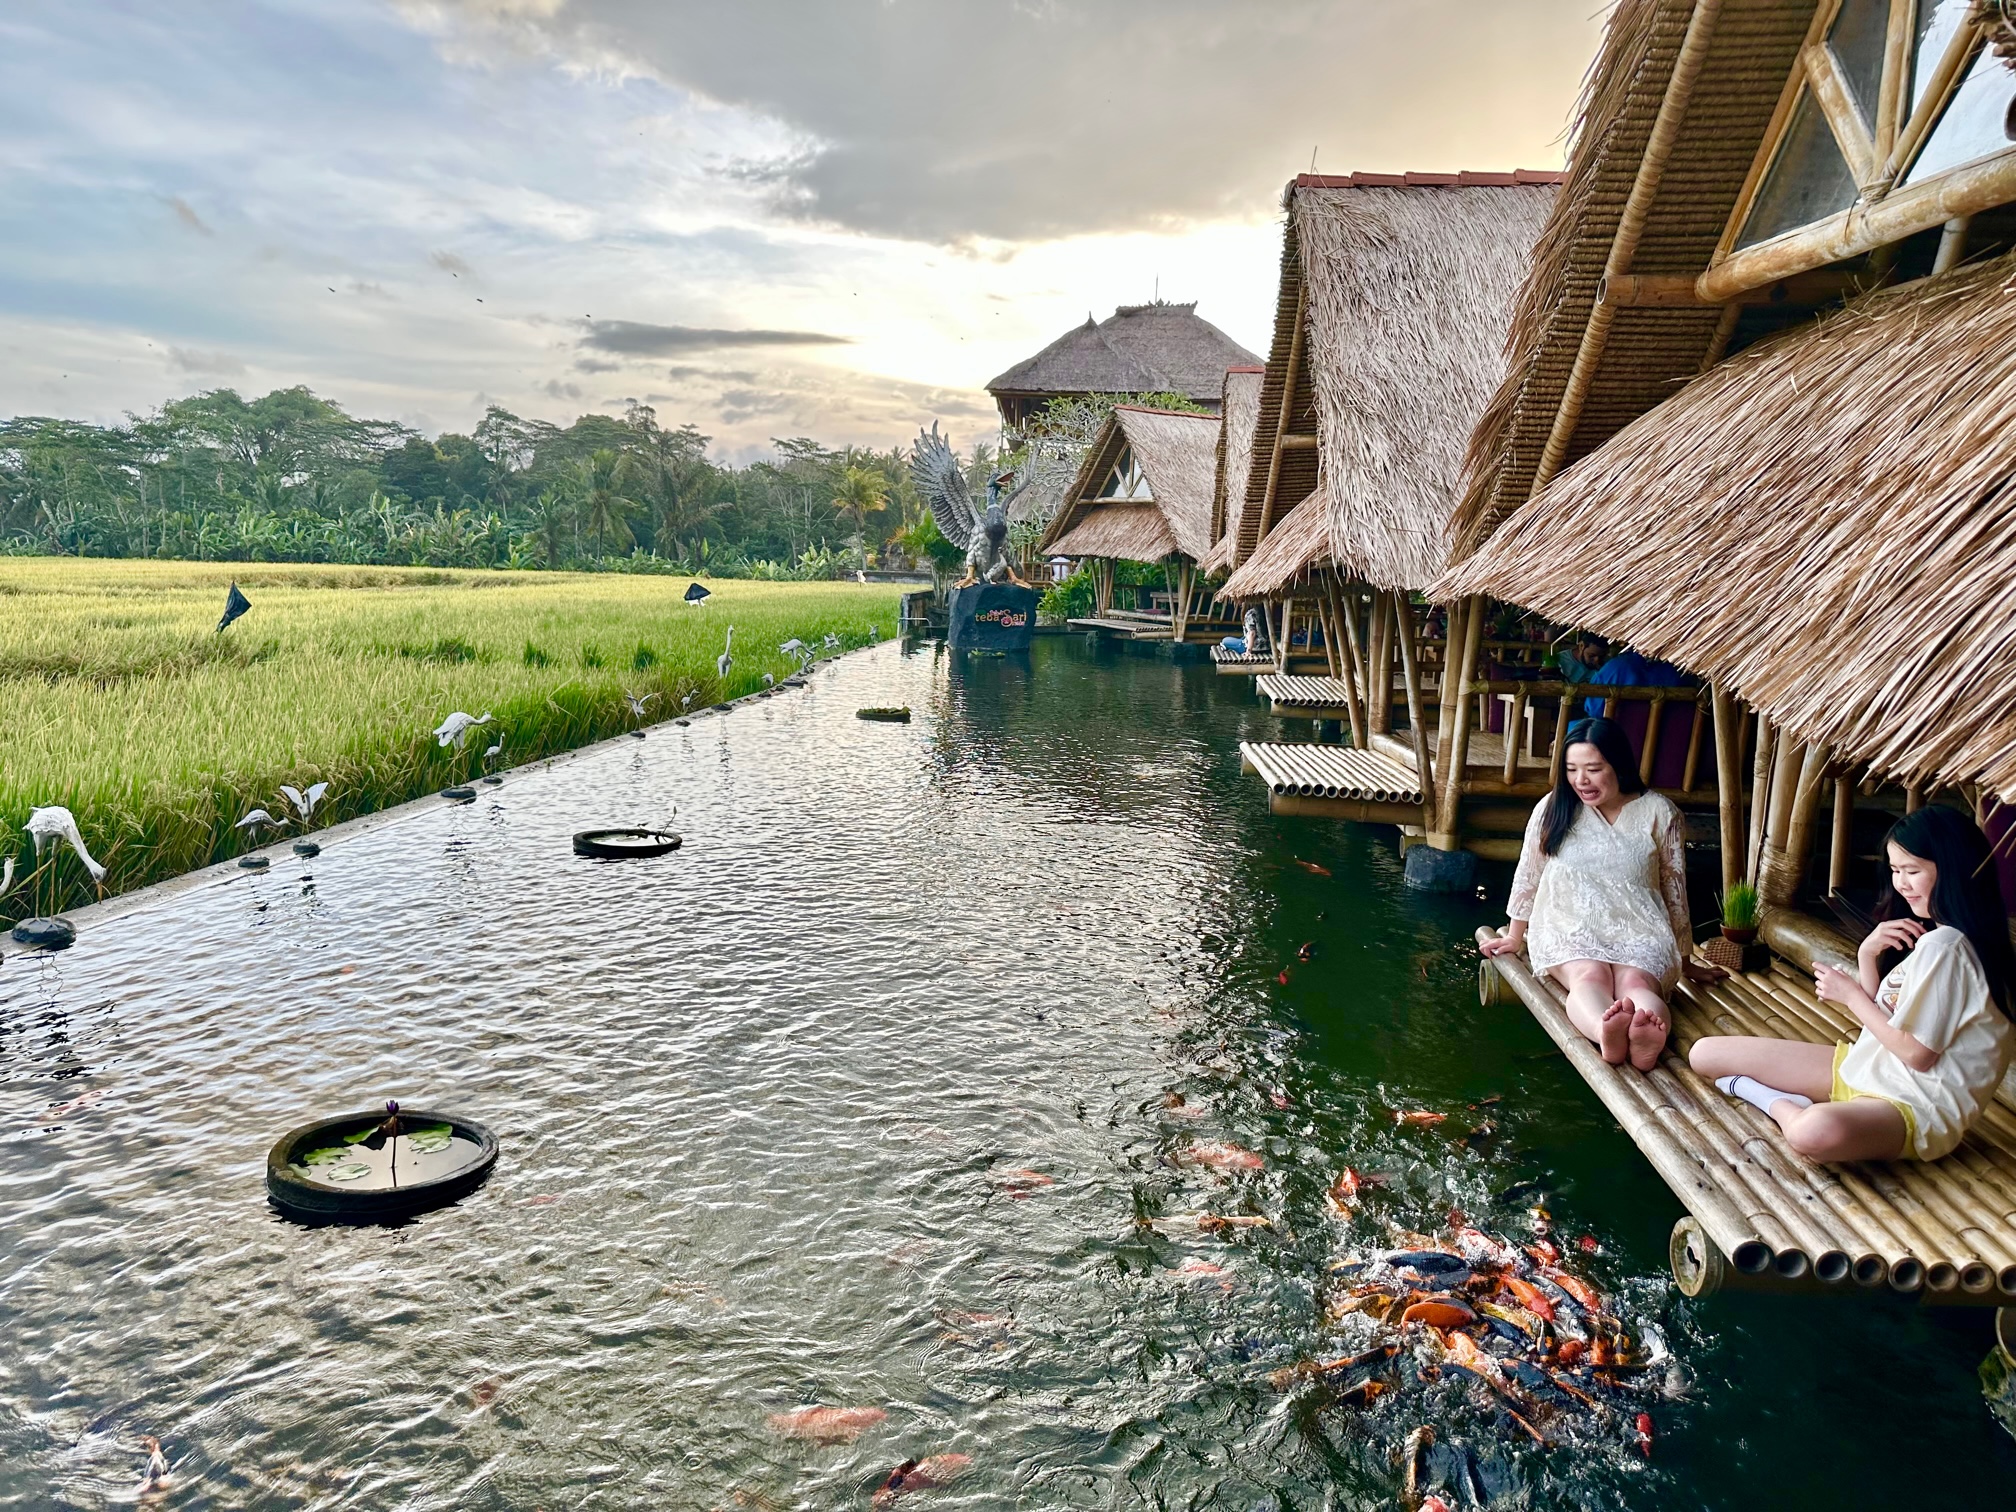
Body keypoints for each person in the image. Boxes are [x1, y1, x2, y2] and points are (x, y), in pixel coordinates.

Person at [1690, 806, 2016, 1162]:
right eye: (1894, 870)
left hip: (1912, 1106)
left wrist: (1851, 996)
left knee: (1809, 1131)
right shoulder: (1947, 939)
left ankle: (1772, 1101)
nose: (1901, 884)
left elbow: (1918, 1056)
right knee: (1704, 1053)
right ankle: (1799, 1103)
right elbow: (1888, 1021)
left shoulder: (1948, 947)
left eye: (1913, 871)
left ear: (1953, 870)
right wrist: (1866, 954)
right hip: (1873, 1067)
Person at [1481, 717, 1691, 1071]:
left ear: (1618, 766)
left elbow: (1674, 887)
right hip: (1569, 923)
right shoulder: (1553, 808)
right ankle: (1604, 1030)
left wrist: (1684, 958)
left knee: (1637, 981)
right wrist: (1515, 935)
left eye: (1594, 769)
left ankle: (1645, 1037)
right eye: (1572, 769)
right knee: (1588, 975)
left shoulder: (1659, 812)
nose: (1581, 780)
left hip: (1639, 926)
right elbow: (1529, 873)